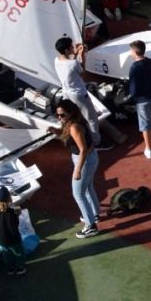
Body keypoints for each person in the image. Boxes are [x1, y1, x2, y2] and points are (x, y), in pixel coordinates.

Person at [56, 99, 100, 238]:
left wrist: (77, 170)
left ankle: (90, 226)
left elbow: (82, 150)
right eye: (57, 115)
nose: (59, 118)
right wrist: (55, 132)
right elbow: (73, 141)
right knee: (88, 188)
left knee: (78, 194)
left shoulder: (74, 127)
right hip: (91, 158)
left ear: (70, 113)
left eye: (62, 115)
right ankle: (94, 214)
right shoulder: (76, 122)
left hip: (84, 161)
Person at [54, 37, 101, 146]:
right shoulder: (74, 63)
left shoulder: (56, 60)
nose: (73, 48)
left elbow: (70, 65)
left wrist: (75, 54)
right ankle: (96, 142)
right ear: (66, 50)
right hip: (79, 94)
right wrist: (82, 55)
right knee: (92, 119)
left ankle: (72, 136)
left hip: (66, 94)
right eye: (71, 47)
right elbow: (83, 73)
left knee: (72, 117)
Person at [127, 39, 151, 158]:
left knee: (145, 124)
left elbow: (133, 87)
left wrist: (132, 97)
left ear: (134, 52)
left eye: (130, 50)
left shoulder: (134, 67)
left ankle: (149, 149)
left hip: (142, 100)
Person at [0, 185, 28, 276]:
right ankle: (21, 268)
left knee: (6, 255)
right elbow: (14, 226)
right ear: (9, 197)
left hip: (0, 240)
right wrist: (17, 214)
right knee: (18, 254)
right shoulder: (11, 213)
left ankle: (10, 269)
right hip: (13, 240)